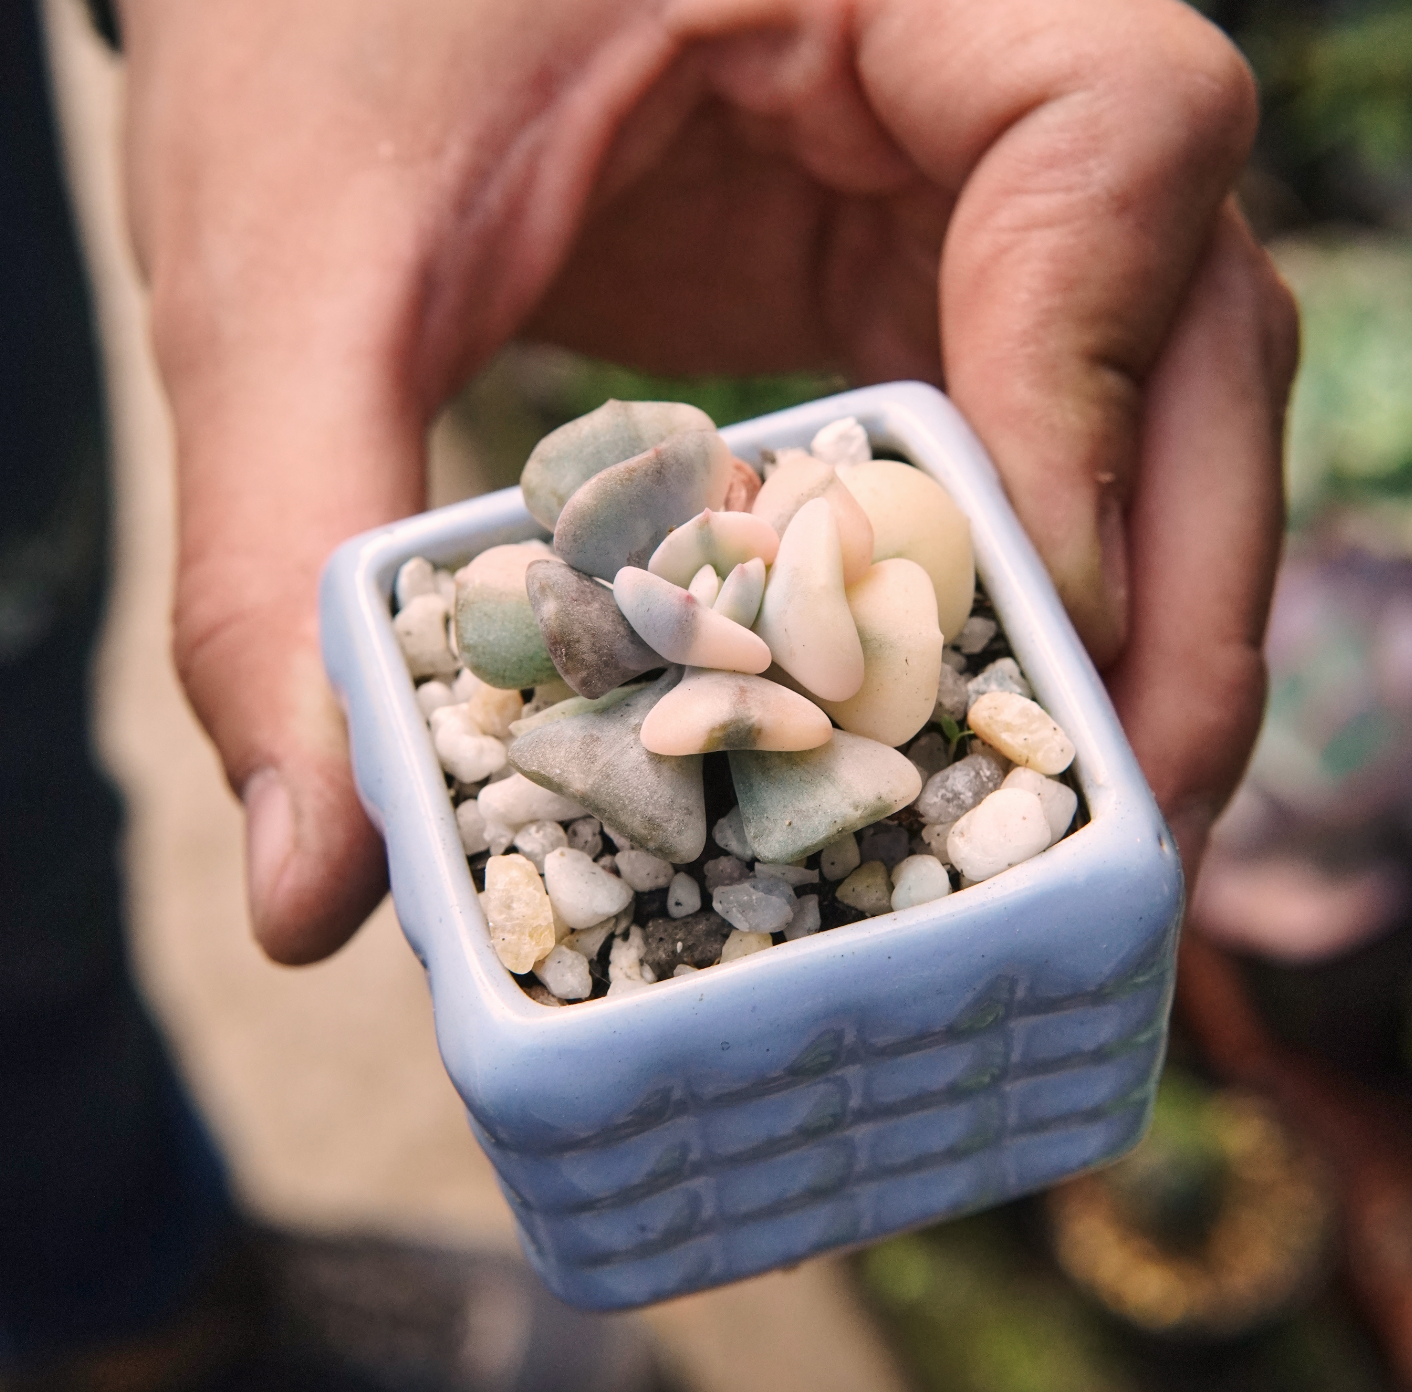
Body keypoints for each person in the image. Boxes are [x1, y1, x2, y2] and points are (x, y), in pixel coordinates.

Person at [4, 0, 1297, 1383]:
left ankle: (145, 1279)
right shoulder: (610, 631)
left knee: (33, 844)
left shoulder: (831, 608)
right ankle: (136, 1311)